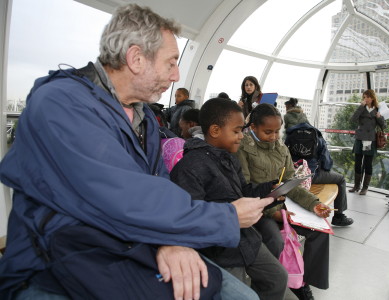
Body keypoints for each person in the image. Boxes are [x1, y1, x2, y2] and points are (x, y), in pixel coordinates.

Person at [0, 4, 274, 300]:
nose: (176, 75)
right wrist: (227, 217)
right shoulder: (61, 105)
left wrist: (172, 240)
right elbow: (125, 197)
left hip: (124, 245)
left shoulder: (143, 120)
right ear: (136, 58)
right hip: (53, 263)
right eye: (170, 63)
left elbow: (157, 189)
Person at [170, 98, 296, 300]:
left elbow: (243, 191)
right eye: (237, 131)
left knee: (277, 278)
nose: (241, 137)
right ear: (215, 130)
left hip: (246, 239)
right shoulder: (189, 168)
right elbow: (190, 217)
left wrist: (270, 188)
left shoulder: (229, 158)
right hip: (221, 250)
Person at [236, 103, 332, 300]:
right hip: (259, 210)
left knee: (320, 232)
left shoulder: (281, 149)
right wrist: (274, 213)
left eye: (277, 131)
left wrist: (314, 204)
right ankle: (265, 287)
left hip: (282, 206)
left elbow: (292, 184)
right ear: (253, 128)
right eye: (268, 132)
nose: (273, 137)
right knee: (274, 239)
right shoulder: (242, 148)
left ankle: (301, 282)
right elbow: (243, 189)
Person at [285, 122, 354, 226]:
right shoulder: (318, 137)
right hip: (311, 176)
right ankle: (339, 216)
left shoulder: (289, 136)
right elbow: (327, 164)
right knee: (341, 179)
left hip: (293, 176)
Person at [349, 89, 386, 195]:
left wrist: (379, 117)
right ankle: (356, 186)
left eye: (368, 97)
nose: (366, 99)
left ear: (373, 98)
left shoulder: (378, 109)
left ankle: (365, 188)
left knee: (367, 164)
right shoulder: (361, 108)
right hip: (360, 138)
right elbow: (352, 119)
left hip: (369, 140)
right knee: (357, 163)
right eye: (364, 97)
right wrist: (361, 106)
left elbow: (384, 126)